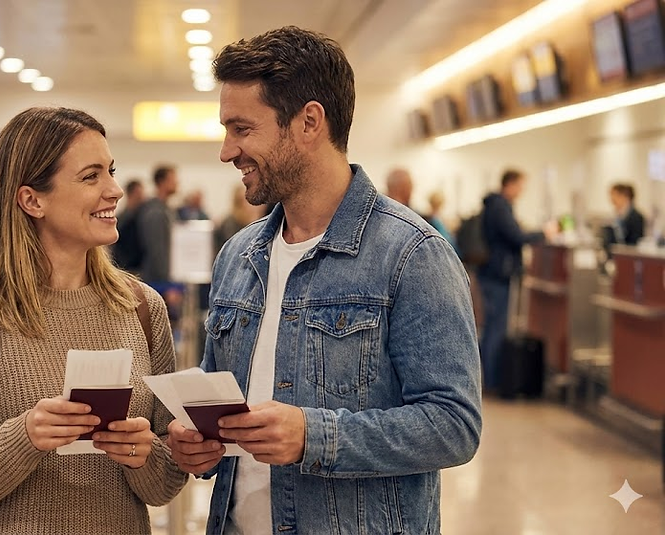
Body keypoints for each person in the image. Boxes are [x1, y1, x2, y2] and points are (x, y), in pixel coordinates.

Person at [165, 26, 482, 535]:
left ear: (309, 122)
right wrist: (196, 444)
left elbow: (454, 425)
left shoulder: (412, 256)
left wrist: (315, 435)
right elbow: (215, 404)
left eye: (242, 129)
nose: (227, 152)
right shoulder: (238, 257)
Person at [0, 107, 187, 534]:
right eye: (91, 176)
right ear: (32, 199)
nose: (114, 190)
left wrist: (144, 452)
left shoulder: (142, 307)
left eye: (111, 171)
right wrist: (25, 436)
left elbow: (166, 481)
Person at [478, 169, 555, 392]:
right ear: (510, 184)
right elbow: (516, 237)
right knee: (496, 327)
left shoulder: (493, 205)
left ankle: (488, 376)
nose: (522, 191)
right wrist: (543, 234)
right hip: (498, 274)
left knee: (491, 326)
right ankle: (492, 380)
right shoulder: (500, 206)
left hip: (491, 272)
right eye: (521, 186)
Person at [136, 165, 179, 284]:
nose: (177, 182)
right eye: (173, 179)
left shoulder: (165, 209)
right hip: (157, 280)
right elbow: (157, 251)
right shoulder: (155, 212)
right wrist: (166, 283)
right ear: (162, 182)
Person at [113, 179, 146, 271]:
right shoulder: (122, 219)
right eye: (139, 194)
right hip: (125, 267)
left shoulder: (139, 216)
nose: (143, 198)